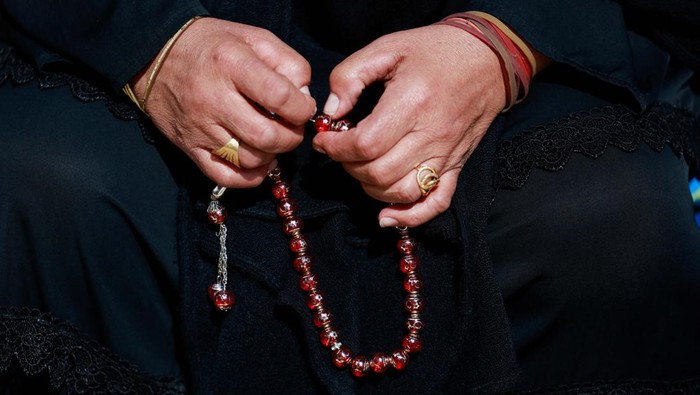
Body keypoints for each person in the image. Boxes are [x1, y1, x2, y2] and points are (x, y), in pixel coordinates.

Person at [0, 0, 699, 393]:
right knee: (45, 180)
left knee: (615, 220)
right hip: (135, 41)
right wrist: (153, 44)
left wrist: (505, 43)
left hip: (528, 45)